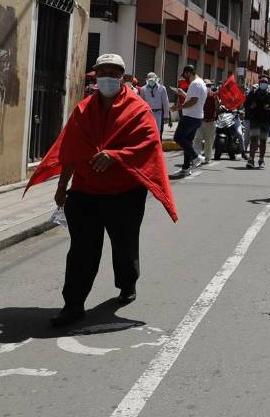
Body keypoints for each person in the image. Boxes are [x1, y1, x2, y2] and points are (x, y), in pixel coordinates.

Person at [24, 53, 177, 327]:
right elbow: (70, 150)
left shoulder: (139, 110)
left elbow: (147, 145)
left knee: (124, 245)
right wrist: (62, 186)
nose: (108, 77)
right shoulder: (83, 111)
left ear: (123, 77)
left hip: (125, 194)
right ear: (95, 75)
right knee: (81, 251)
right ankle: (73, 305)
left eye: (114, 72)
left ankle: (127, 283)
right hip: (85, 192)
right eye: (103, 71)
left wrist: (115, 156)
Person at [173, 64, 207, 177]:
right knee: (187, 141)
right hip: (196, 117)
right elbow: (193, 98)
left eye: (185, 75)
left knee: (178, 137)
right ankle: (186, 168)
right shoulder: (201, 82)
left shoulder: (195, 84)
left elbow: (193, 101)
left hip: (190, 117)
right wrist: (183, 94)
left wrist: (178, 107)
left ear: (189, 72)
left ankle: (196, 157)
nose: (185, 78)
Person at [243, 75, 270, 168]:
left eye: (265, 82)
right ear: (259, 83)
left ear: (268, 84)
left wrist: (269, 108)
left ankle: (261, 160)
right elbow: (246, 104)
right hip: (255, 120)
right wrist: (251, 106)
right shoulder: (253, 92)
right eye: (262, 81)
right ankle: (251, 160)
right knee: (254, 139)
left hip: (266, 121)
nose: (263, 83)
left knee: (263, 141)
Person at [139, 72, 171, 137]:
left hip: (158, 113)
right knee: (148, 131)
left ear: (156, 79)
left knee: (158, 132)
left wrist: (166, 115)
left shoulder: (162, 88)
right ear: (147, 80)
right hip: (148, 113)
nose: (151, 82)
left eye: (153, 80)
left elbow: (165, 102)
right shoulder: (143, 89)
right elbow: (142, 102)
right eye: (150, 80)